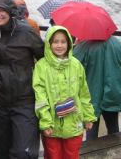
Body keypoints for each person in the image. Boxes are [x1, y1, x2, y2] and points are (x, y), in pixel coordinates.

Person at [0, 0, 44, 159]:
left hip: (24, 101)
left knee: (24, 152)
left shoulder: (27, 32)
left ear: (11, 11)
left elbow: (45, 61)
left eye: (3, 10)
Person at [32, 25, 96, 159]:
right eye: (55, 41)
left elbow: (84, 93)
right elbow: (40, 97)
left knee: (72, 155)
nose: (59, 45)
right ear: (49, 44)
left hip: (73, 124)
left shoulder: (76, 65)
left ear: (69, 43)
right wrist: (45, 121)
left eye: (63, 41)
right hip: (52, 126)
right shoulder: (41, 66)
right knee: (52, 155)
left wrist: (88, 116)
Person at [73, 36, 121, 140]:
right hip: (112, 93)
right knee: (113, 128)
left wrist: (76, 46)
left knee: (91, 129)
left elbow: (73, 65)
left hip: (91, 94)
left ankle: (91, 155)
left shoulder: (85, 45)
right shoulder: (117, 44)